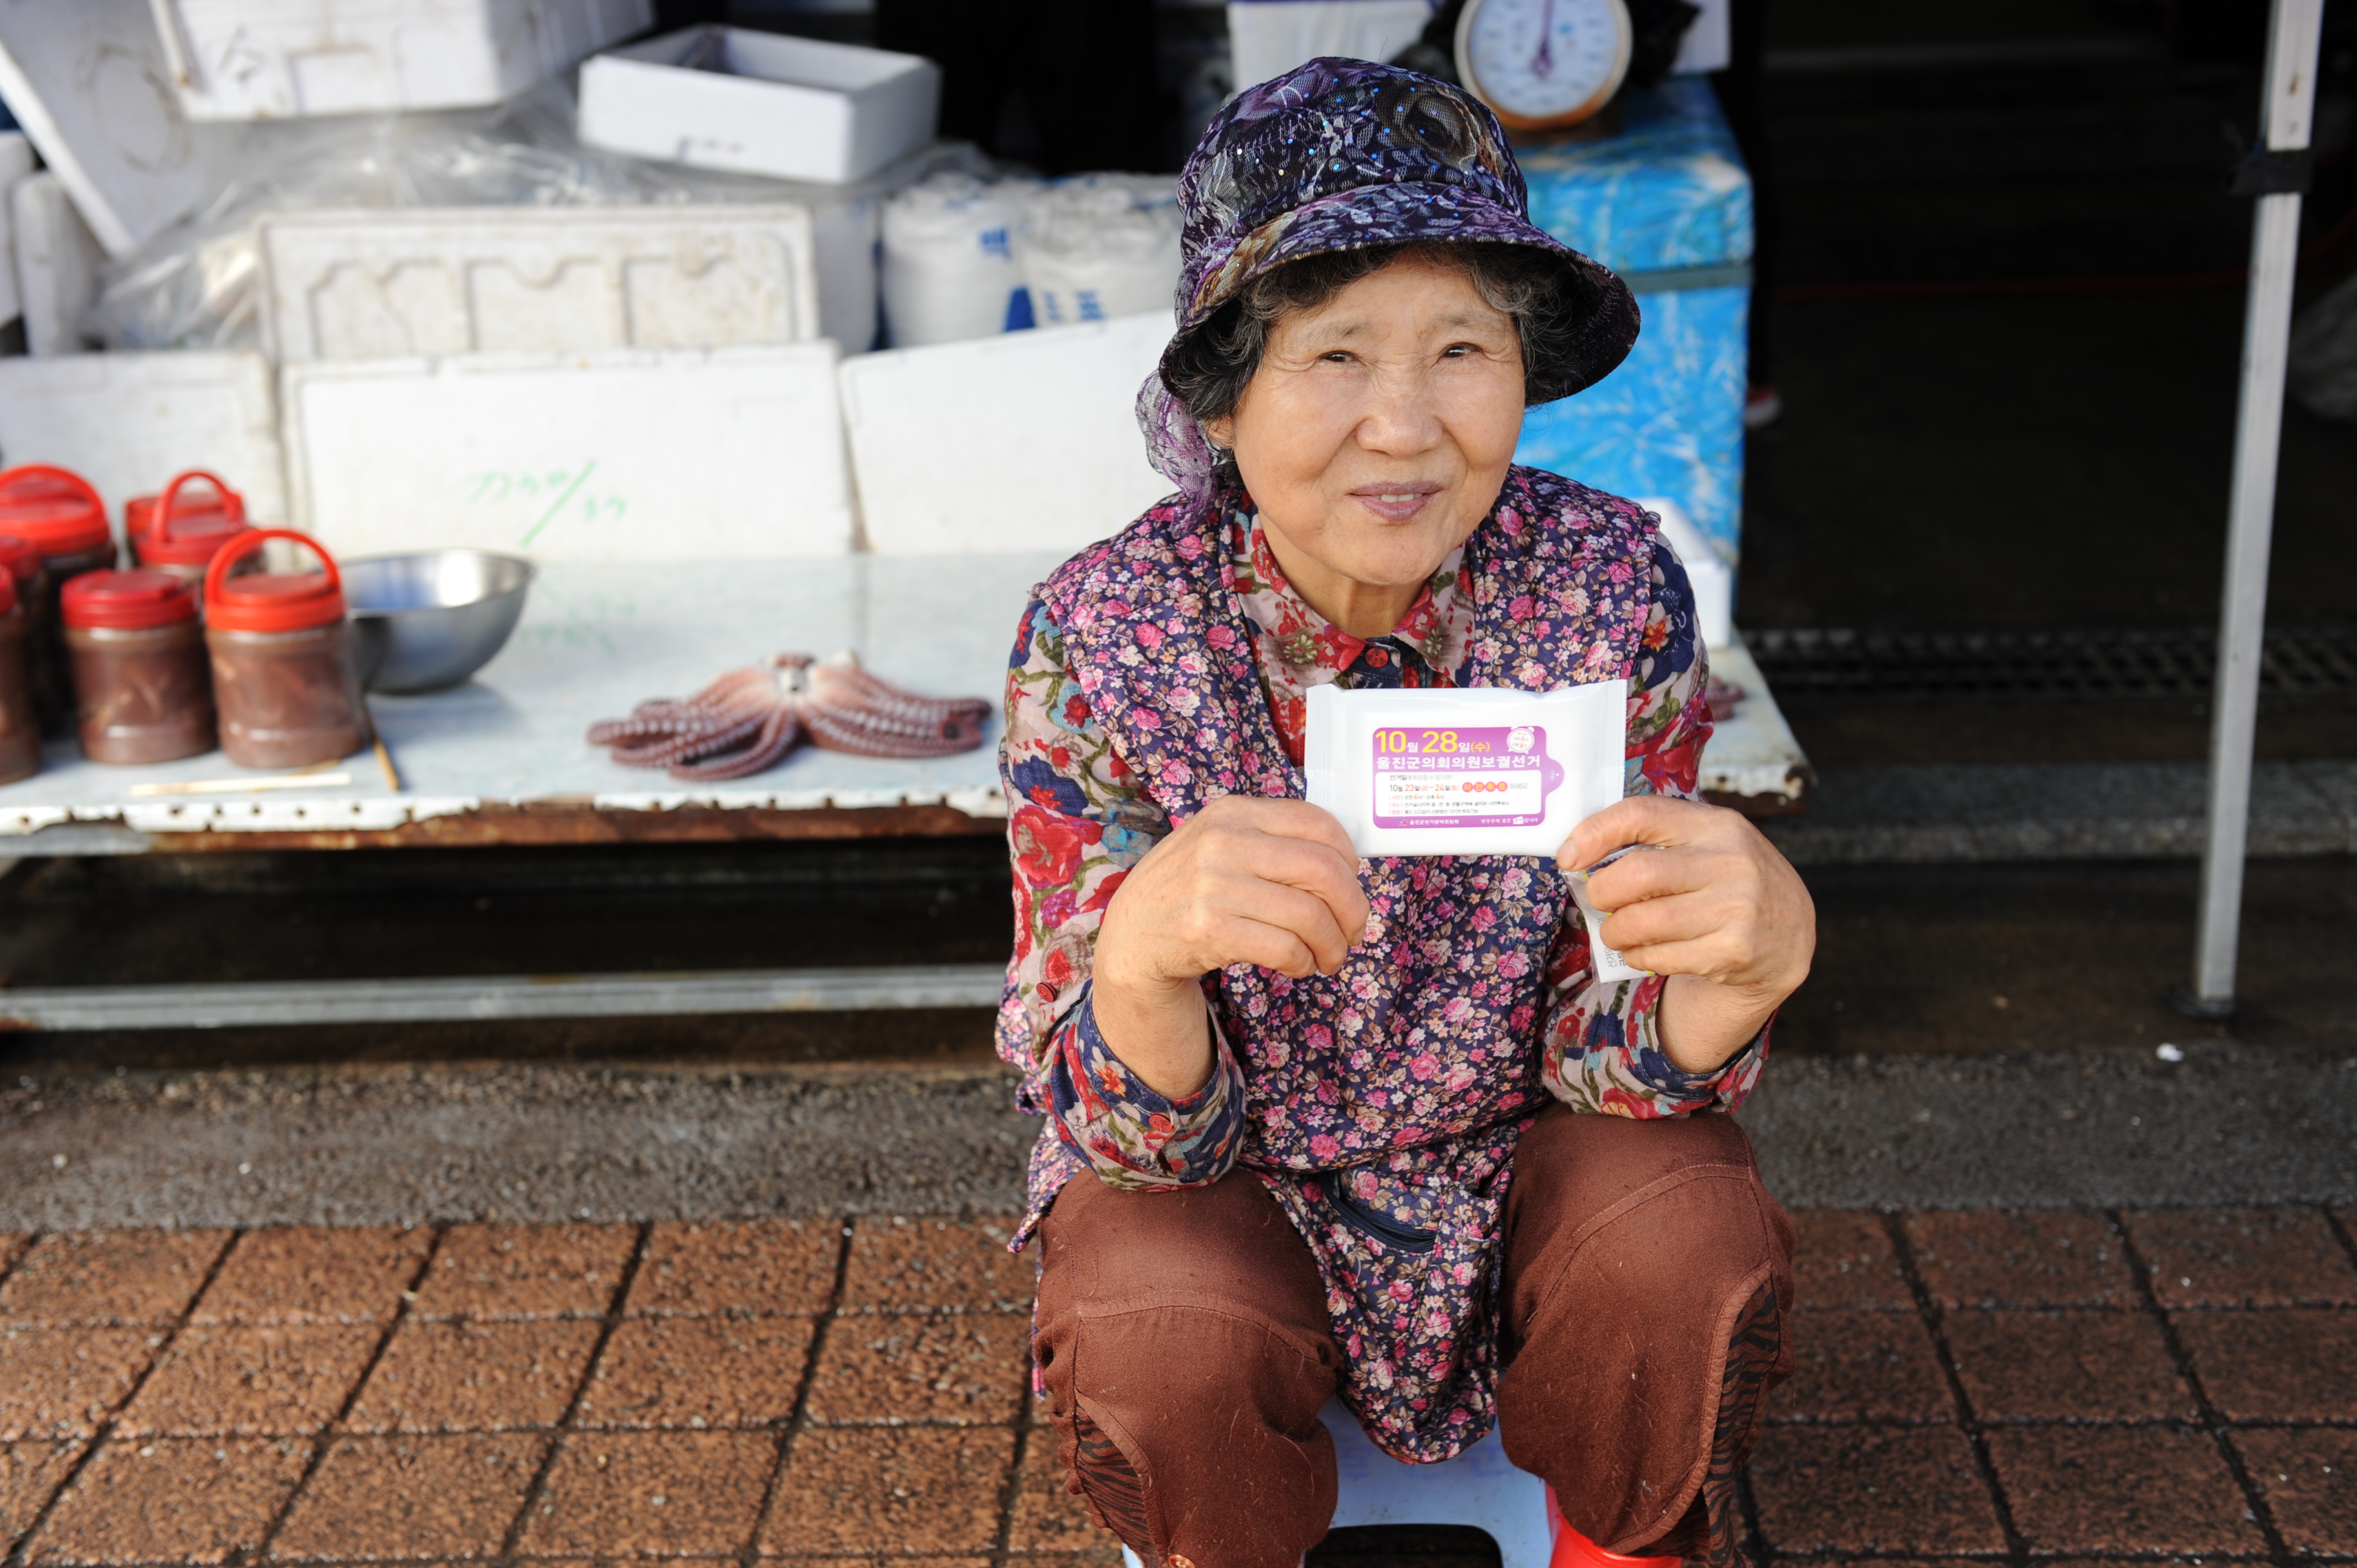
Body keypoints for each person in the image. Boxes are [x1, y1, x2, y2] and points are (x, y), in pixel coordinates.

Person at [996, 59, 1815, 1568]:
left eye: (1462, 348)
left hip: (1524, 1149)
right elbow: (1126, 1137)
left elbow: (1613, 1059)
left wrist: (1732, 982)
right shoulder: (1108, 630)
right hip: (1225, 1172)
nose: (1406, 425)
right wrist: (1141, 965)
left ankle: (1614, 1548)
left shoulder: (1605, 585)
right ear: (1225, 398)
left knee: (1689, 1237)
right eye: (1332, 357)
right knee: (1157, 1328)